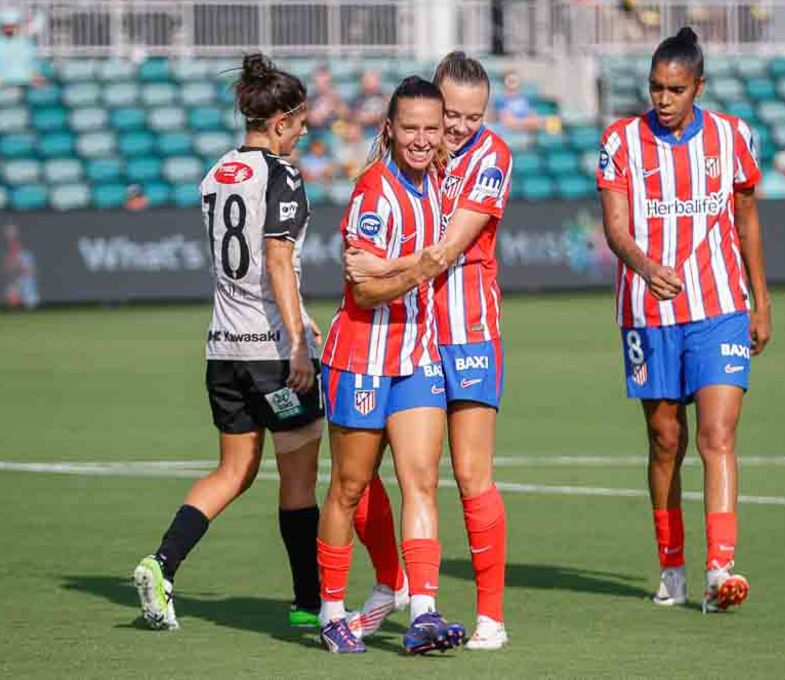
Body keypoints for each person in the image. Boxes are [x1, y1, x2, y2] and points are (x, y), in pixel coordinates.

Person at [132, 54, 329, 631]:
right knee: (297, 476)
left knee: (235, 470)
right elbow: (274, 259)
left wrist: (301, 315)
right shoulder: (282, 174)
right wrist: (297, 338)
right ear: (278, 123)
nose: (303, 131)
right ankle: (307, 603)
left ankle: (162, 563)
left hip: (223, 345)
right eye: (299, 122)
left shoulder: (216, 173)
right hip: (271, 351)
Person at [596, 27, 771, 614]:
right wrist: (645, 266)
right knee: (665, 440)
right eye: (655, 88)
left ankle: (720, 569)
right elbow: (616, 227)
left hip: (720, 307)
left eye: (675, 89)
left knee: (718, 436)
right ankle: (671, 566)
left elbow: (745, 216)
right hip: (649, 311)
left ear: (699, 86)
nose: (663, 99)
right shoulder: (620, 141)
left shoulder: (732, 136)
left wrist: (760, 299)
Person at [344, 51, 513, 650]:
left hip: (465, 332)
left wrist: (377, 266)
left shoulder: (490, 157)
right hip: (401, 333)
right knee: (360, 477)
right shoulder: (414, 159)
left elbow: (444, 252)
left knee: (469, 476)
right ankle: (392, 582)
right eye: (452, 115)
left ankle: (490, 617)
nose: (461, 127)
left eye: (473, 115)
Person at [316, 76, 464, 654]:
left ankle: (423, 610)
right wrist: (421, 266)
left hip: (417, 355)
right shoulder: (374, 192)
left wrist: (393, 266)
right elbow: (365, 292)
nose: (422, 139)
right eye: (411, 128)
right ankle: (331, 610)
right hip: (360, 357)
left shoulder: (441, 185)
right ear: (390, 131)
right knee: (350, 487)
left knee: (422, 481)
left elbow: (379, 272)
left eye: (431, 128)